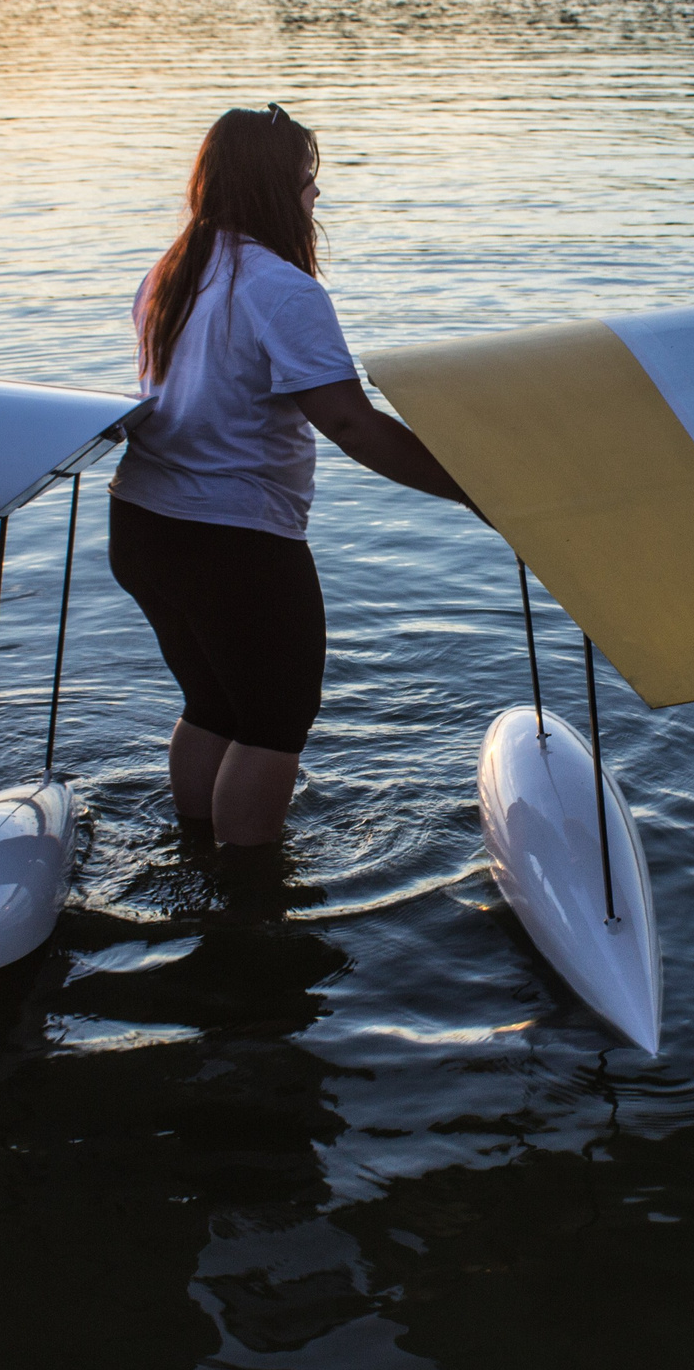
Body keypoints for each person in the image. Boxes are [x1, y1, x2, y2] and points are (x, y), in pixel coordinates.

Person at [107, 104, 468, 847]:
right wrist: (470, 484)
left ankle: (195, 856)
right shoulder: (283, 290)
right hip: (232, 542)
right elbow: (348, 423)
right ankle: (248, 904)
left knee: (211, 703)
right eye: (307, 181)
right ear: (275, 187)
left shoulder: (170, 274)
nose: (315, 198)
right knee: (273, 725)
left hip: (142, 525)